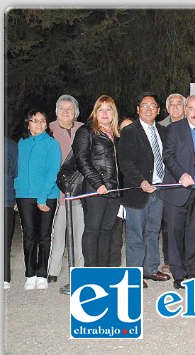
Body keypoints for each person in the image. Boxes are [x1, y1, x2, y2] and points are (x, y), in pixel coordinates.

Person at [160, 95, 195, 290]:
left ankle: (192, 271)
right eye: (191, 108)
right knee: (175, 234)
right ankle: (179, 274)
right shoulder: (173, 129)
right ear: (185, 110)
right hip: (177, 190)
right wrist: (181, 175)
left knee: (194, 232)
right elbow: (167, 156)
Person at [118, 92, 171, 288]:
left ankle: (150, 269)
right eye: (144, 105)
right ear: (138, 109)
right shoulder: (130, 131)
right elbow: (125, 162)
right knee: (135, 234)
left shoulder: (164, 131)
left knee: (152, 231)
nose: (148, 109)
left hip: (159, 190)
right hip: (138, 190)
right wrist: (141, 181)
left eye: (153, 106)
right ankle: (134, 274)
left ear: (158, 110)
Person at [14, 109, 61, 290]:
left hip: (47, 196)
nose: (39, 123)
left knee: (44, 235)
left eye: (42, 120)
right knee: (28, 235)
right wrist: (17, 195)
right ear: (28, 124)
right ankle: (30, 273)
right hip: (24, 196)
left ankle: (42, 273)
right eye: (34, 120)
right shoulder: (22, 143)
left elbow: (52, 172)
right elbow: (17, 170)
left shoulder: (52, 144)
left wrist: (42, 198)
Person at [73, 95, 121, 268]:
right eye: (100, 109)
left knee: (107, 231)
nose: (105, 113)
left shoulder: (116, 134)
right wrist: (98, 184)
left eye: (108, 109)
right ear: (95, 112)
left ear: (113, 112)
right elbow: (81, 159)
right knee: (93, 231)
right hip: (95, 190)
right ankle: (90, 271)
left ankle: (103, 270)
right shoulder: (86, 131)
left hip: (114, 191)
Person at [47, 94, 85, 283]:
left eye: (69, 109)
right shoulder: (49, 130)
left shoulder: (83, 129)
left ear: (75, 112)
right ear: (56, 111)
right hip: (56, 191)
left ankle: (79, 268)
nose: (65, 112)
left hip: (79, 189)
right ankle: (53, 270)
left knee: (79, 232)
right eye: (62, 108)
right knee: (58, 232)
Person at [157, 93, 186, 274]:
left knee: (185, 223)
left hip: (187, 179)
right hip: (166, 179)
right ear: (167, 108)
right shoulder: (160, 127)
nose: (175, 107)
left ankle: (184, 257)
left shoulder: (192, 124)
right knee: (167, 222)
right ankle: (168, 259)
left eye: (179, 104)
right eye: (172, 105)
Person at [107, 116, 134, 267]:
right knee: (115, 233)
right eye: (124, 128)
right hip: (117, 196)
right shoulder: (113, 147)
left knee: (137, 233)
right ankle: (113, 265)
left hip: (136, 196)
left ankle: (137, 267)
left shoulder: (141, 146)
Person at [4, 136, 18, 289]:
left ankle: (4, 276)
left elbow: (15, 172)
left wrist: (15, 198)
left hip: (5, 198)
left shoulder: (10, 145)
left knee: (4, 240)